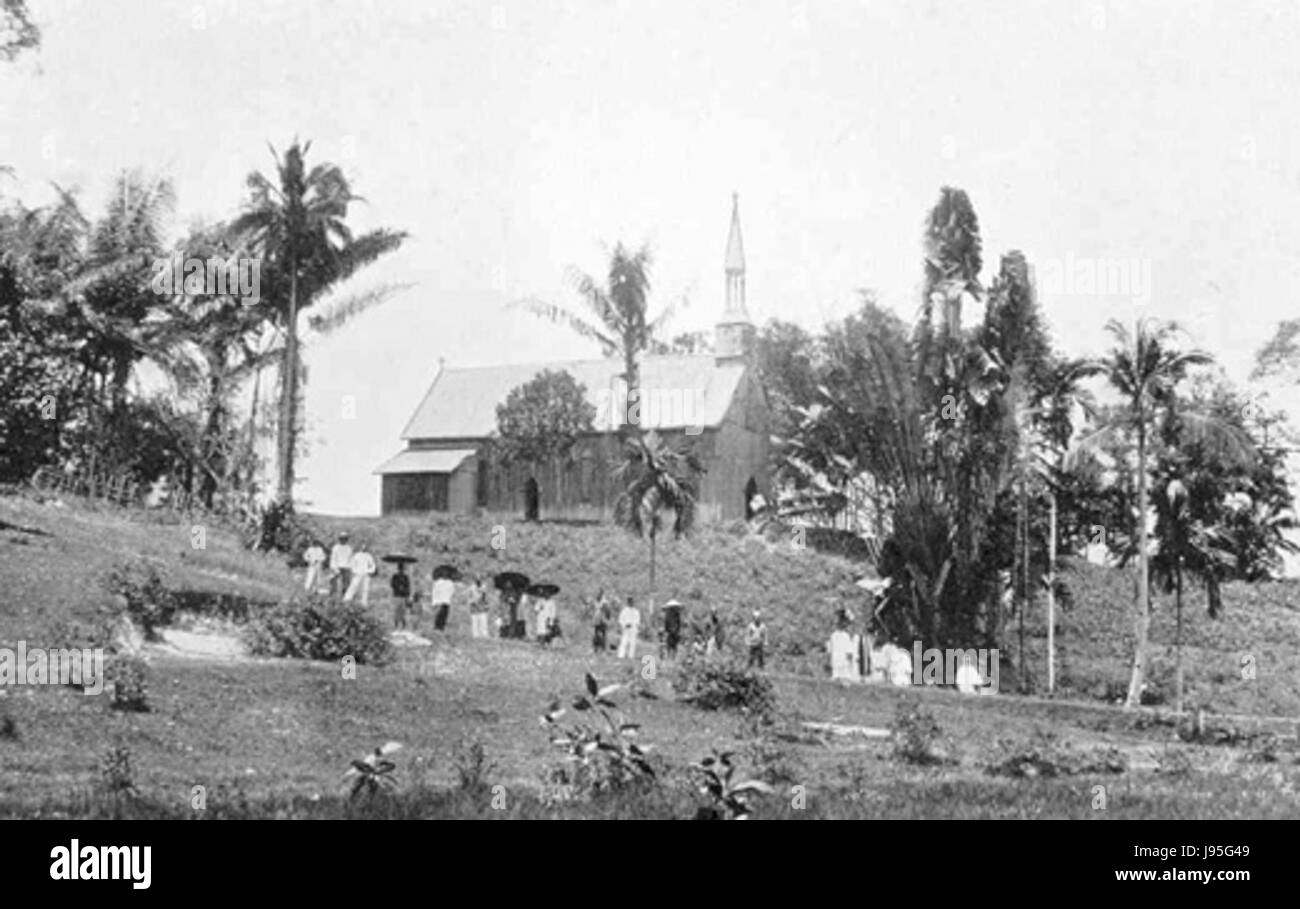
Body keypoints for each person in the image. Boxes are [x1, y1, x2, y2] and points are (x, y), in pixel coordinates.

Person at [345, 542, 377, 606]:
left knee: (365, 588)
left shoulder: (368, 556)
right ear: (360, 547)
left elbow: (373, 565)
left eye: (365, 547)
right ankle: (347, 599)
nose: (363, 548)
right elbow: (352, 564)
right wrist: (355, 571)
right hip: (358, 573)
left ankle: (364, 602)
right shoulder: (356, 555)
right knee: (353, 586)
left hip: (366, 574)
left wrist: (370, 571)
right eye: (362, 546)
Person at [329, 532, 353, 599]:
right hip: (337, 567)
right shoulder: (336, 548)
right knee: (335, 584)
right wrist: (334, 569)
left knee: (346, 584)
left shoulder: (349, 548)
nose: (343, 540)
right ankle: (333, 598)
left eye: (345, 539)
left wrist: (350, 568)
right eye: (342, 539)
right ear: (339, 539)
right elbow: (333, 559)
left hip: (346, 568)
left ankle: (344, 598)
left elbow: (350, 559)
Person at [390, 562, 411, 629]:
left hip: (403, 596)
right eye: (400, 569)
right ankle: (396, 624)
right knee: (396, 610)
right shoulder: (395, 576)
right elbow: (392, 584)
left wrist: (407, 595)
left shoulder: (405, 577)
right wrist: (398, 586)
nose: (401, 570)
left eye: (402, 569)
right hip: (397, 595)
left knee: (402, 611)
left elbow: (408, 587)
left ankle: (403, 625)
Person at [591, 590, 611, 654]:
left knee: (603, 635)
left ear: (601, 595)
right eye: (597, 594)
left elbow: (608, 612)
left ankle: (604, 649)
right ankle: (596, 649)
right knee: (596, 635)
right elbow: (594, 611)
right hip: (597, 621)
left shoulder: (604, 603)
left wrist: (607, 619)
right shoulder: (596, 601)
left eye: (599, 594)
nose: (598, 595)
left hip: (602, 621)